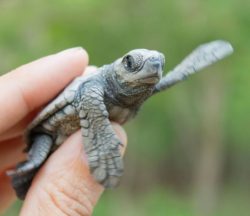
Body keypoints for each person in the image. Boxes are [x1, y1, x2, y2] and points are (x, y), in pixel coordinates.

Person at [0, 47, 127, 216]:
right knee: (34, 162)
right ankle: (26, 173)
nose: (152, 70)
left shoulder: (134, 89)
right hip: (47, 133)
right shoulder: (97, 85)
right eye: (133, 64)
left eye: (158, 67)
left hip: (62, 131)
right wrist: (102, 139)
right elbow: (89, 99)